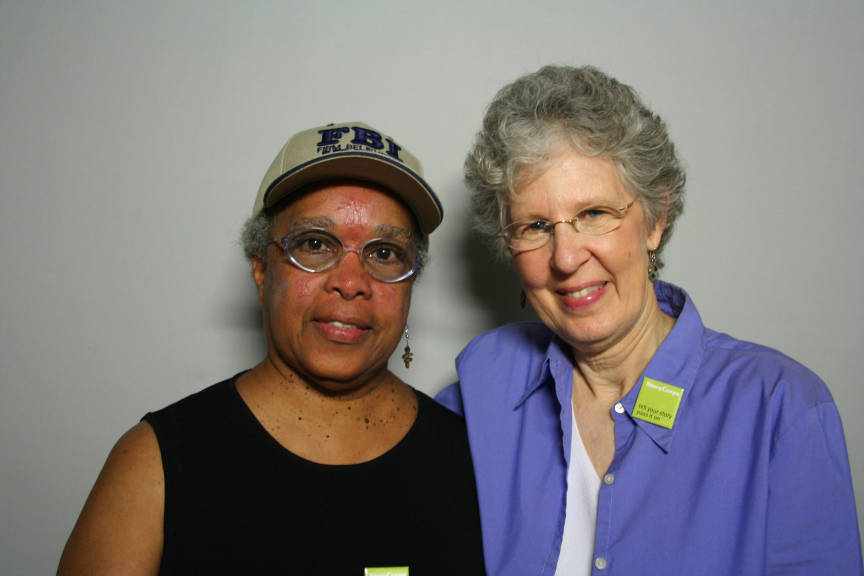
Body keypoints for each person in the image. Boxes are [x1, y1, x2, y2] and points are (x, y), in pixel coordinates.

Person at [437, 65, 862, 575]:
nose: (567, 257)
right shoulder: (480, 395)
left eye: (594, 213)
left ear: (656, 221)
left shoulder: (781, 410)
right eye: (535, 225)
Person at [58, 122, 486, 575]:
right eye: (316, 244)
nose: (351, 283)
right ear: (262, 269)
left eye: (385, 253)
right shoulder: (155, 463)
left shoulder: (474, 461)